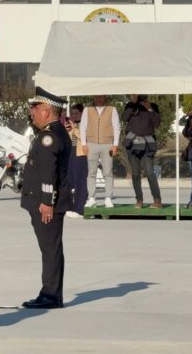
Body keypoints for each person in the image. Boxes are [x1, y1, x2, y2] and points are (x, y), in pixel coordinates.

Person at [20, 87, 72, 309]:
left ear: (47, 111)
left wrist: (46, 201)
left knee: (50, 248)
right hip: (47, 201)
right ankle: (52, 292)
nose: (32, 113)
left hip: (47, 203)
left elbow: (49, 172)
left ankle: (51, 294)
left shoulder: (49, 137)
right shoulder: (54, 131)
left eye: (36, 108)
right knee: (51, 248)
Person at [122, 95, 162, 209]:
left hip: (147, 144)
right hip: (132, 144)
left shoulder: (153, 106)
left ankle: (157, 200)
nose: (141, 99)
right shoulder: (130, 106)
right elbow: (124, 118)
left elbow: (157, 123)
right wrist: (133, 104)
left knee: (150, 173)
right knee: (135, 174)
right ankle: (139, 200)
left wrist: (150, 109)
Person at [80, 95, 120, 208]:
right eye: (96, 97)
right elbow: (83, 126)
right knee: (91, 172)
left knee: (108, 172)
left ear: (105, 98)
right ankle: (91, 198)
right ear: (93, 98)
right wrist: (84, 144)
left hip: (107, 144)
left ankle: (108, 198)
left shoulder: (112, 109)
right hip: (91, 144)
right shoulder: (87, 109)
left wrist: (115, 144)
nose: (98, 99)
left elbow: (116, 127)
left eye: (101, 97)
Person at [65, 104, 87, 217]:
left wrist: (75, 128)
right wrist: (68, 130)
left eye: (76, 113)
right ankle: (70, 206)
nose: (74, 116)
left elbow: (84, 138)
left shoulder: (85, 124)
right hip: (72, 153)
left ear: (82, 114)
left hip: (82, 154)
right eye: (72, 114)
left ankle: (80, 209)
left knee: (80, 182)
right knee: (69, 180)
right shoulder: (72, 125)